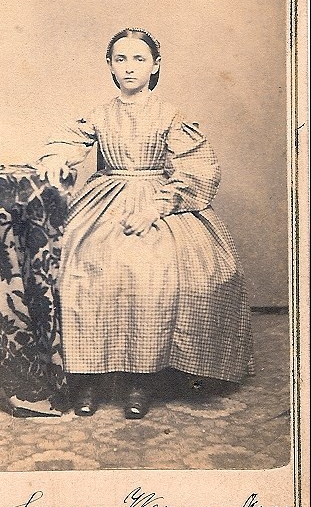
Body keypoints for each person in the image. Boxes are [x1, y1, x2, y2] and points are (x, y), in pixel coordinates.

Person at [37, 27, 253, 420]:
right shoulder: (100, 114)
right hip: (102, 202)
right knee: (79, 269)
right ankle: (86, 377)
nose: (130, 67)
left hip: (157, 201)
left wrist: (158, 207)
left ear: (155, 65)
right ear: (109, 66)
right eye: (120, 59)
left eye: (139, 58)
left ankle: (142, 380)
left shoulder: (170, 114)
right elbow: (68, 141)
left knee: (153, 273)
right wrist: (57, 157)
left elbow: (199, 167)